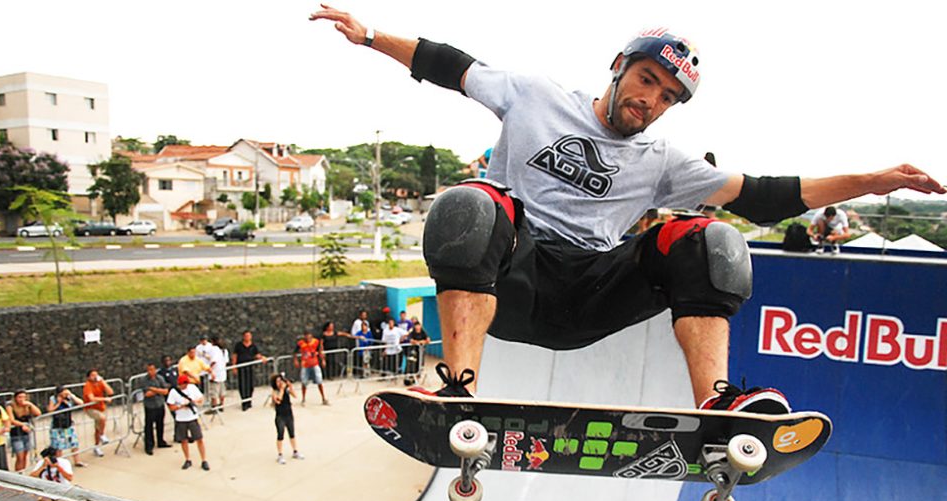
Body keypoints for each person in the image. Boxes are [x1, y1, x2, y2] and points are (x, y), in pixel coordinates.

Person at [312, 8, 945, 412]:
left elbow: (762, 196)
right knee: (472, 203)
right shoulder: (536, 96)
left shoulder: (664, 160)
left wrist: (871, 180)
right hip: (514, 277)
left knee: (711, 241)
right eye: (646, 81)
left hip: (591, 295)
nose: (650, 102)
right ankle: (459, 387)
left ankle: (718, 405)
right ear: (619, 68)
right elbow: (451, 65)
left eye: (667, 97)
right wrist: (368, 35)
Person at [166, 373, 209, 471]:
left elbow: (201, 398)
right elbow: (171, 407)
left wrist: (194, 402)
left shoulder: (192, 388)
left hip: (192, 417)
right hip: (181, 419)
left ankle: (204, 459)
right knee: (183, 440)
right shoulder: (174, 392)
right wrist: (181, 406)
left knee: (199, 439)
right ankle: (187, 459)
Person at [269, 373, 305, 464]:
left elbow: (295, 395)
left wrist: (290, 387)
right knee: (280, 434)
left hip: (289, 413)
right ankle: (280, 454)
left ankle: (295, 451)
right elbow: (278, 400)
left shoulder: (286, 389)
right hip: (280, 415)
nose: (280, 383)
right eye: (277, 381)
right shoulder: (274, 392)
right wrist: (281, 389)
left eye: (281, 380)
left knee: (292, 433)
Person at [48, 385, 85, 468]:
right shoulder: (53, 399)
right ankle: (59, 463)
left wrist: (71, 395)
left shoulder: (69, 398)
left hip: (68, 424)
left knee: (74, 443)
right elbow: (50, 410)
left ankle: (77, 460)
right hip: (57, 425)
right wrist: (59, 403)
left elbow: (81, 403)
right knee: (58, 446)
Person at [140, 363, 171, 455]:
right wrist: (158, 390)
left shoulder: (160, 378)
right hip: (150, 406)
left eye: (152, 370)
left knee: (160, 424)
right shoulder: (144, 380)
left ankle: (161, 441)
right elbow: (147, 394)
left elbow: (165, 391)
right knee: (149, 426)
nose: (151, 372)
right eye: (149, 370)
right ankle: (149, 446)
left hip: (160, 404)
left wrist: (154, 389)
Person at [232, 331, 267, 411]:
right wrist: (234, 367)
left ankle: (249, 400)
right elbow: (235, 355)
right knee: (242, 384)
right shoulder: (239, 345)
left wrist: (262, 357)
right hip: (241, 367)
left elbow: (256, 354)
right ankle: (244, 402)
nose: (247, 337)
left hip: (250, 367)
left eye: (249, 336)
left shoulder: (253, 346)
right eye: (246, 336)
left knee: (250, 384)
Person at [7, 390, 41, 472]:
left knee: (25, 455)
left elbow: (38, 413)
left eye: (24, 397)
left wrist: (30, 404)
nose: (22, 399)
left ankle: (22, 471)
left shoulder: (27, 406)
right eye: (19, 397)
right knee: (20, 456)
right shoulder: (10, 407)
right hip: (16, 433)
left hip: (26, 433)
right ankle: (18, 472)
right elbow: (11, 420)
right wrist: (22, 425)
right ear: (15, 398)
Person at [82, 369, 114, 457]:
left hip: (100, 407)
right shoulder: (87, 386)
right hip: (91, 408)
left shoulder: (100, 383)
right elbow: (91, 398)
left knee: (97, 428)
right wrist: (105, 399)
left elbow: (110, 392)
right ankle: (102, 435)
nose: (95, 377)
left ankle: (96, 446)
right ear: (88, 377)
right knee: (102, 418)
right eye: (93, 375)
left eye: (96, 375)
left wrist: (103, 381)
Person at [294, 330, 329, 405]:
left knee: (319, 381)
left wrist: (323, 360)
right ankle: (303, 399)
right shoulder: (300, 343)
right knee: (304, 382)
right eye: (306, 336)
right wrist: (296, 360)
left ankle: (323, 398)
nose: (308, 337)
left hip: (315, 363)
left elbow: (320, 351)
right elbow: (295, 352)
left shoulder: (316, 342)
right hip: (305, 364)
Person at [404, 321, 431, 385]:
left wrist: (422, 342)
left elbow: (428, 340)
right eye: (416, 326)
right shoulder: (412, 332)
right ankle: (412, 377)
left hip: (421, 351)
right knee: (413, 364)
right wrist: (417, 342)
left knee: (420, 363)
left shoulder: (423, 332)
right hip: (413, 351)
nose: (417, 327)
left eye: (418, 326)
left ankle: (418, 375)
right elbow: (411, 340)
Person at [208, 337, 229, 412]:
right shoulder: (224, 351)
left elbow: (214, 361)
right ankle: (221, 405)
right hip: (222, 373)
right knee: (221, 391)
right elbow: (226, 361)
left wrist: (208, 369)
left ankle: (214, 407)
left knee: (214, 391)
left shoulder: (214, 349)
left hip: (215, 373)